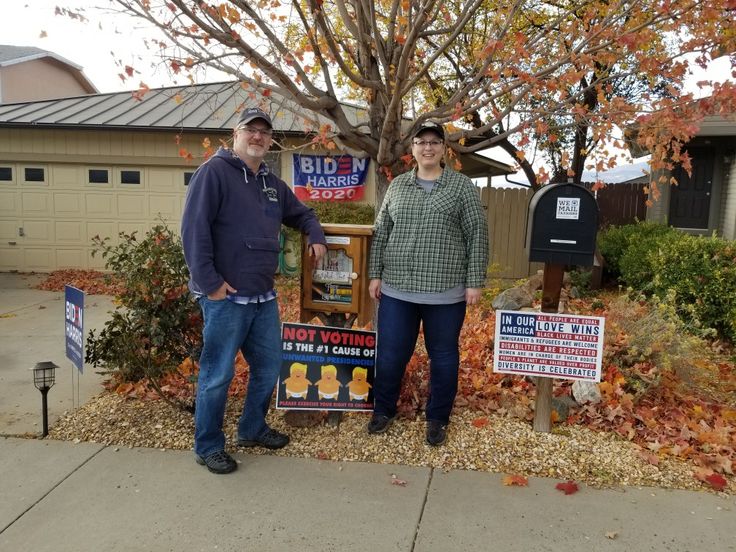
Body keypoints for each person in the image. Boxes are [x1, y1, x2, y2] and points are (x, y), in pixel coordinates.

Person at [182, 107, 327, 474]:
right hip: (226, 298)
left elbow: (303, 214)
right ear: (236, 133)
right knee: (217, 375)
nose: (258, 137)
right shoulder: (212, 174)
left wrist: (317, 236)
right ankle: (208, 445)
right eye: (251, 130)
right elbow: (193, 232)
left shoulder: (271, 183)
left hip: (263, 297)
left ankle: (251, 428)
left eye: (265, 132)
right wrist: (210, 284)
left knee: (268, 368)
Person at [366, 120, 489, 446]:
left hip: (445, 290)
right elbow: (382, 232)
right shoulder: (397, 187)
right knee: (391, 354)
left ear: (443, 149)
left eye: (434, 142)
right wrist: (375, 273)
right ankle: (383, 409)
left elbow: (477, 234)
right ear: (413, 149)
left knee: (444, 356)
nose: (428, 147)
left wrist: (474, 281)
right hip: (397, 289)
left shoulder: (462, 187)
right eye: (421, 142)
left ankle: (438, 418)